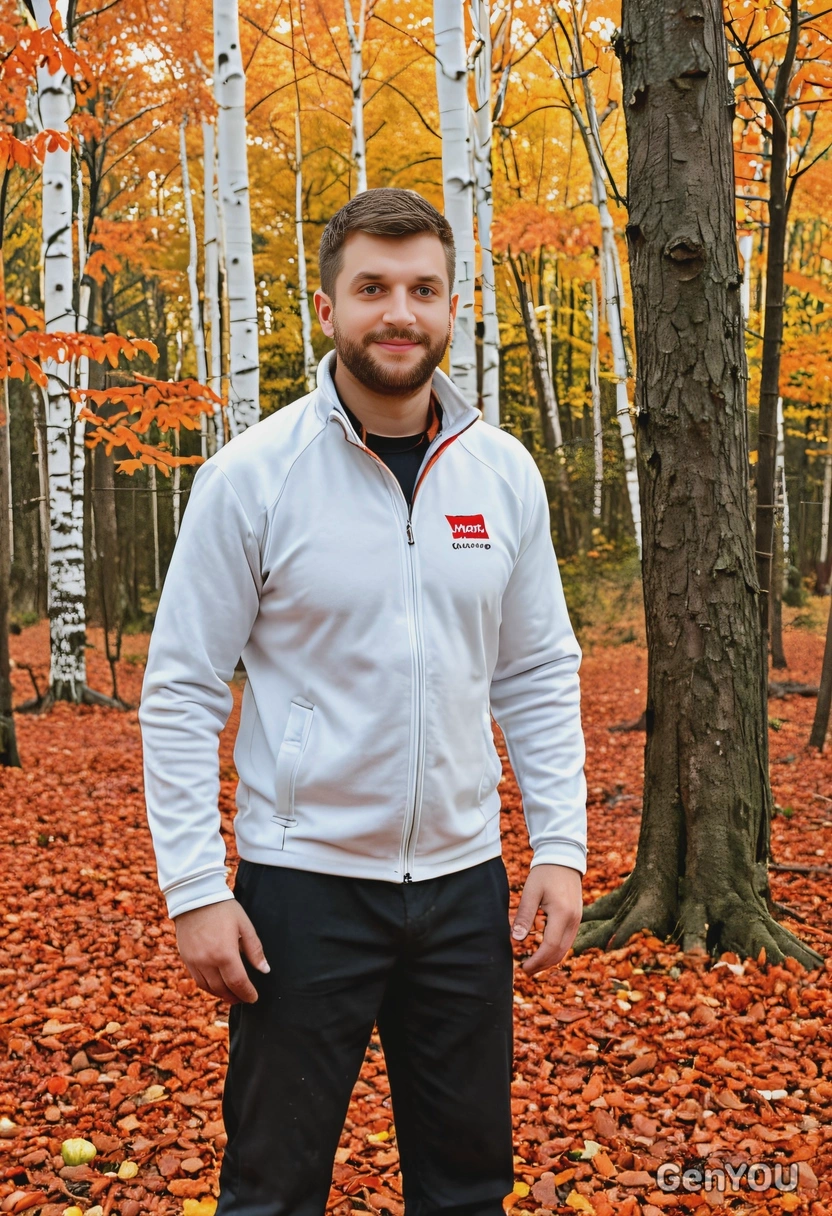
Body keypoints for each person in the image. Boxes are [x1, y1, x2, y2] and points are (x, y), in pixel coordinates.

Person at [138, 186, 588, 1216]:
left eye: (423, 289)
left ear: (450, 305)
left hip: (465, 889)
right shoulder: (252, 477)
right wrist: (195, 888)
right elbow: (180, 692)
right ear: (327, 306)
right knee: (272, 1184)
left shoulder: (503, 474)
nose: (400, 312)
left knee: (469, 1182)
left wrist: (557, 844)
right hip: (302, 892)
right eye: (373, 287)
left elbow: (534, 669)